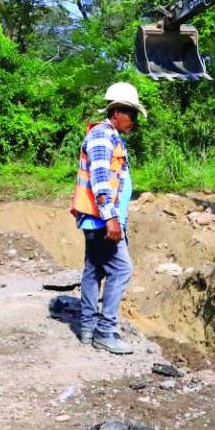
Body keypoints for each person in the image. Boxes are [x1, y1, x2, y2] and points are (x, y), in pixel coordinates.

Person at [70, 83, 145, 355]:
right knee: (122, 269)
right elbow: (101, 180)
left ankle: (88, 328)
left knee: (94, 271)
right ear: (117, 112)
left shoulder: (110, 136)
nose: (134, 121)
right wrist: (112, 219)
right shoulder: (103, 136)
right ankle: (104, 331)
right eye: (132, 115)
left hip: (96, 219)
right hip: (102, 220)